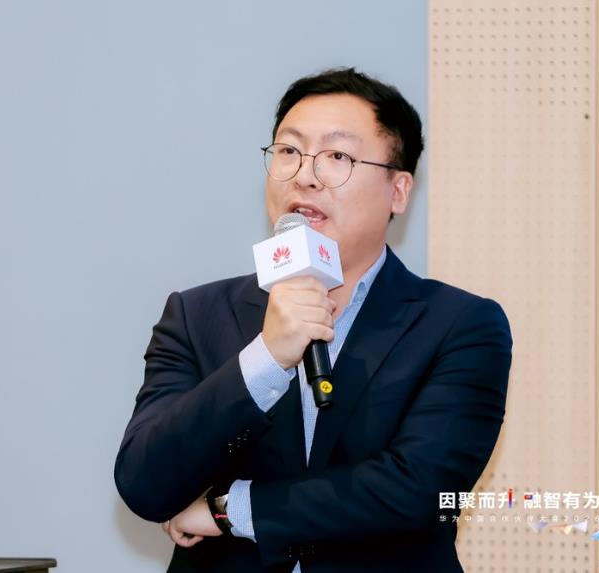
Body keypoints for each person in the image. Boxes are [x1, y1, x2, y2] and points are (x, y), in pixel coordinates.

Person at [115, 67, 512, 573]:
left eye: (337, 156)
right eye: (288, 151)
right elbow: (145, 482)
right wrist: (266, 358)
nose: (304, 175)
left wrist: (227, 510)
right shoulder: (196, 315)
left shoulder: (461, 326)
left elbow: (416, 490)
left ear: (398, 190)